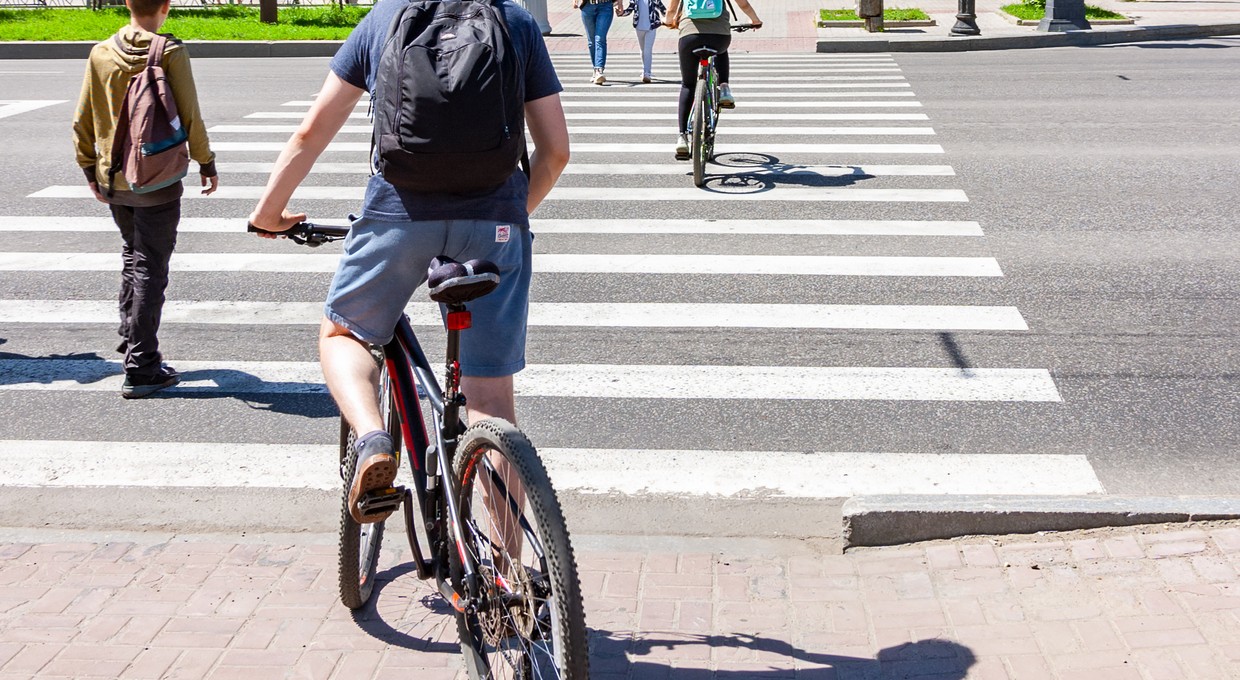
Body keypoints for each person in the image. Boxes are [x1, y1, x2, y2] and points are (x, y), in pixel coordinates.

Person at [247, 0, 570, 524]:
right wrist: (507, 214)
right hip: (496, 223)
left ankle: (374, 438)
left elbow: (312, 132)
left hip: (398, 217)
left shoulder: (384, 18)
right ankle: (509, 584)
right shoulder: (514, 22)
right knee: (490, 400)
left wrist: (268, 212)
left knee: (343, 334)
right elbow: (555, 152)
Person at [72, 0, 219, 399]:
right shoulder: (170, 51)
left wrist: (91, 169)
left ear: (126, 4)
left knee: (133, 254)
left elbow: (83, 118)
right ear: (166, 7)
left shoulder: (101, 52)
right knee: (151, 266)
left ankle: (129, 336)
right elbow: (190, 114)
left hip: (113, 175)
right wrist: (206, 162)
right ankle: (142, 366)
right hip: (158, 178)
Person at [663, 0, 761, 159]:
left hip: (690, 38)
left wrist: (668, 21)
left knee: (688, 85)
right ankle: (724, 89)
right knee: (721, 50)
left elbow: (672, 9)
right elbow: (743, 4)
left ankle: (682, 137)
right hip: (719, 37)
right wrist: (755, 21)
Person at [618, 0, 666, 83]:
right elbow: (630, 9)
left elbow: (662, 8)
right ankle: (644, 70)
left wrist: (671, 18)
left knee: (648, 50)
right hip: (639, 27)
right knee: (643, 50)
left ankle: (647, 73)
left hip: (652, 27)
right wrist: (621, 13)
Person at [574, 0, 617, 84]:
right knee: (591, 41)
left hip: (605, 6)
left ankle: (599, 70)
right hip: (587, 6)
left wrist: (620, 3)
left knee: (600, 39)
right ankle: (595, 68)